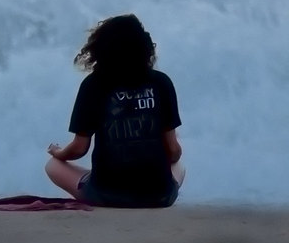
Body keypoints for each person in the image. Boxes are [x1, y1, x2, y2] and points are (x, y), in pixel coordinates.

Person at [45, 12, 184, 208]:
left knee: (52, 166)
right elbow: (173, 151)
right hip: (158, 197)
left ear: (101, 50)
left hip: (107, 195)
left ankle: (97, 188)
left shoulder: (93, 85)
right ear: (145, 48)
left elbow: (79, 148)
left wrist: (58, 153)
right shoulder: (161, 82)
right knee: (179, 166)